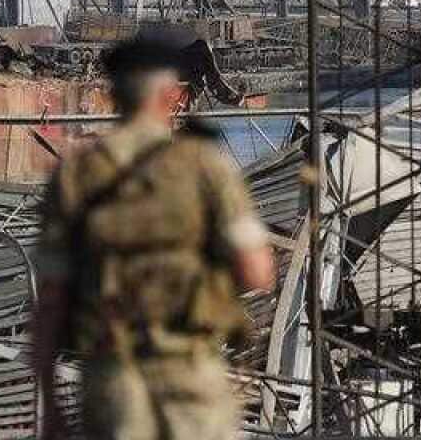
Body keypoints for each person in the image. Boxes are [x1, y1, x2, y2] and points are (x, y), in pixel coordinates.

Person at [32, 35, 275, 440]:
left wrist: (49, 405)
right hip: (192, 378)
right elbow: (256, 272)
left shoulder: (75, 176)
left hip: (115, 383)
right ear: (171, 95)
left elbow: (50, 302)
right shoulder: (206, 167)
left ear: (113, 96)